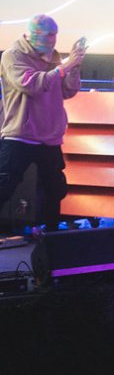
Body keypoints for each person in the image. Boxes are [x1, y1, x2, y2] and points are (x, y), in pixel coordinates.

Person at [0, 14, 85, 231]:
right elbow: (31, 84)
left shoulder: (53, 57)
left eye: (55, 35)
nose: (53, 40)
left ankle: (52, 234)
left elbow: (67, 91)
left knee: (55, 189)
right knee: (5, 185)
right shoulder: (13, 55)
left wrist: (74, 68)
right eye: (49, 35)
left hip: (49, 134)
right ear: (33, 33)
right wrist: (64, 67)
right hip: (21, 133)